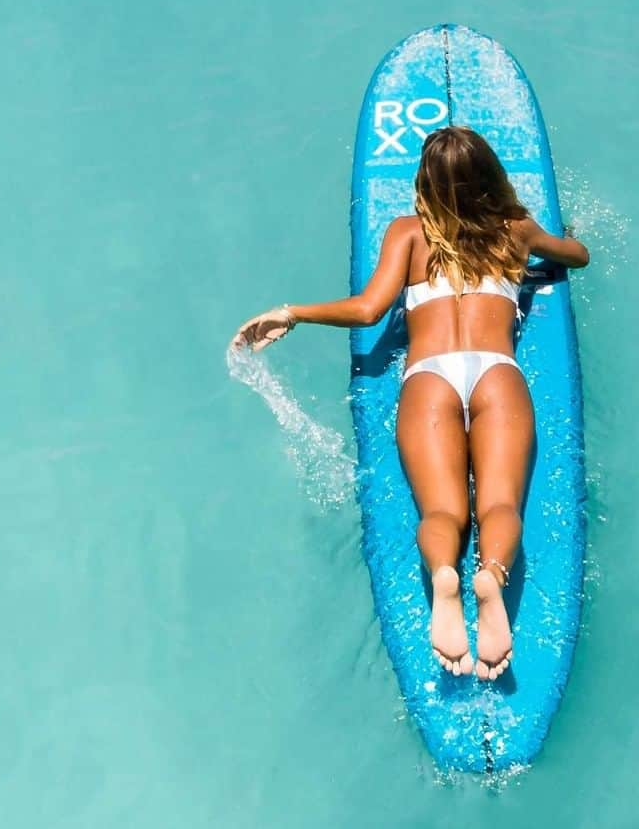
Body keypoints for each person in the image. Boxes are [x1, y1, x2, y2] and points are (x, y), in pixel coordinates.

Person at [231, 126, 589, 680]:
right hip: (497, 373)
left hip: (429, 377)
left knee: (443, 511)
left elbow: (370, 309)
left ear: (425, 182)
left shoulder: (408, 233)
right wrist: (557, 240)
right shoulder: (513, 230)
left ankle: (445, 573)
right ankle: (491, 575)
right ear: (490, 177)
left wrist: (293, 312)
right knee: (500, 506)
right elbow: (576, 256)